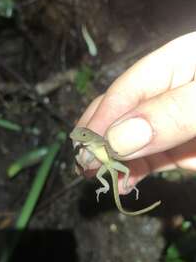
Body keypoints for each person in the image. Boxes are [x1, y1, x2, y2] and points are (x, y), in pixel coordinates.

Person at [75, 32, 196, 194]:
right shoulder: (89, 143)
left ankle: (122, 187)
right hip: (108, 164)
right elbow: (88, 157)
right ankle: (103, 188)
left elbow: (106, 145)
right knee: (105, 172)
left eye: (82, 136)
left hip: (111, 161)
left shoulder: (97, 140)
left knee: (123, 171)